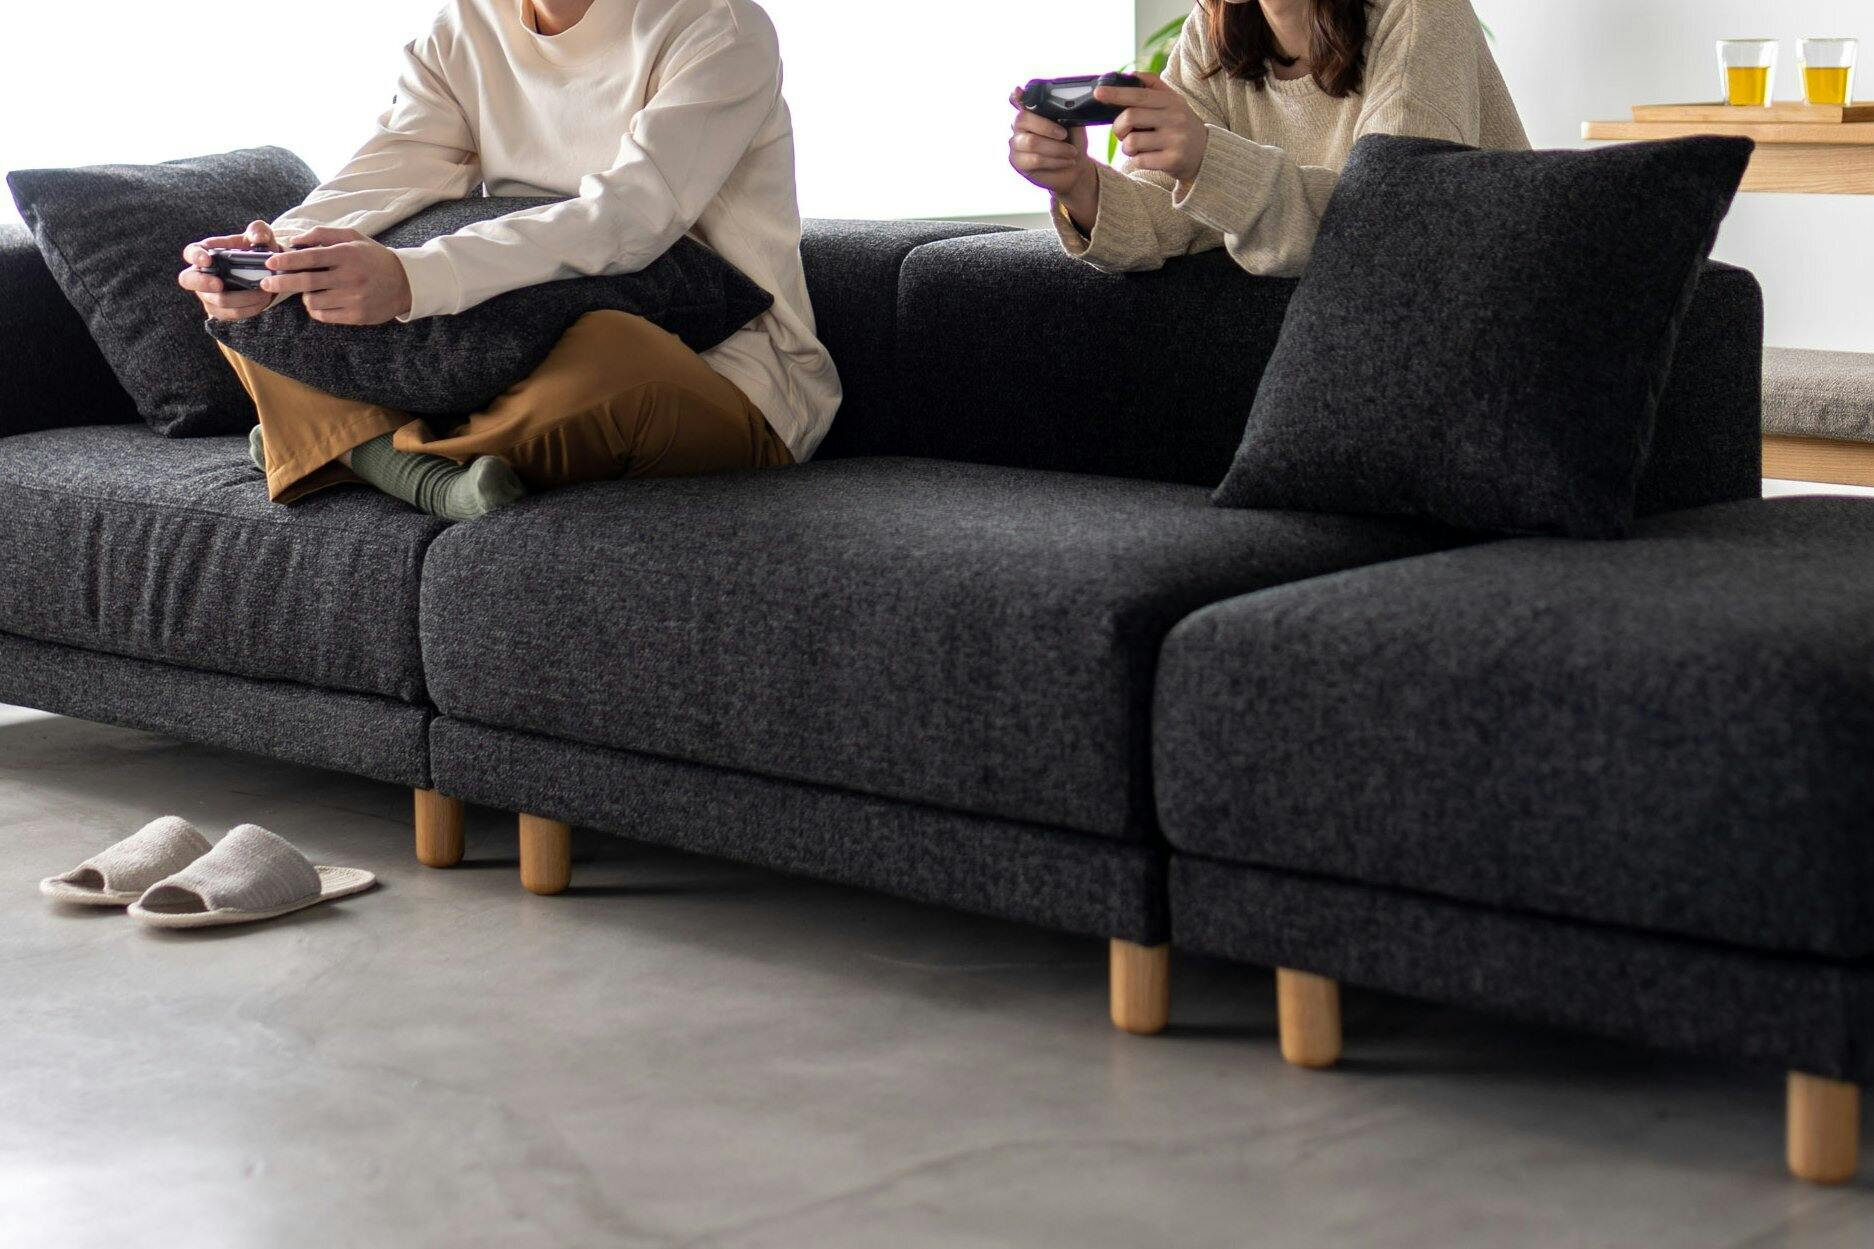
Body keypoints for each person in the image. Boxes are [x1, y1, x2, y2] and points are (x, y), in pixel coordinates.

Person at [178, 0, 837, 521]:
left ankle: (346, 447)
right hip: (514, 339)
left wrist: (414, 278)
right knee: (266, 315)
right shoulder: (465, 27)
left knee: (609, 348)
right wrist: (276, 255)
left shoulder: (719, 27)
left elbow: (630, 218)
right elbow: (389, 170)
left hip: (728, 371)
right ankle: (387, 459)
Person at [1009, 0, 1528, 277]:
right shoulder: (1212, 30)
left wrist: (1207, 160)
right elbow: (1168, 218)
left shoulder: (1419, 10)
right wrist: (1079, 185)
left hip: (1483, 316)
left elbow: (1393, 228)